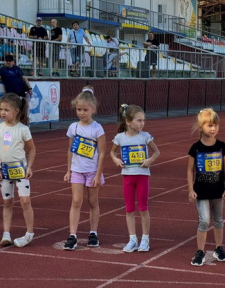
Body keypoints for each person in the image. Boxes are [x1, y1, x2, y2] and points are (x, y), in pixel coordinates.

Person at [110, 104, 160, 252]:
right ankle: (132, 239)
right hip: (128, 178)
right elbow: (112, 152)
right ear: (128, 121)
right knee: (129, 209)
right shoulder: (120, 138)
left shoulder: (145, 136)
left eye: (143, 120)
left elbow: (157, 152)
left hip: (142, 177)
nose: (142, 123)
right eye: (139, 120)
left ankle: (145, 239)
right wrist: (115, 159)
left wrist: (150, 160)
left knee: (143, 208)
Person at [187, 108, 225, 266]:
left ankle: (219, 248)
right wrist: (191, 190)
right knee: (204, 221)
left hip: (218, 189)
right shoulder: (196, 148)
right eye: (210, 125)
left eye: (216, 125)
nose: (214, 129)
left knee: (218, 220)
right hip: (201, 190)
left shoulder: (222, 147)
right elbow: (189, 169)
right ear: (201, 127)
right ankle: (200, 251)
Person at [0, 93, 35, 248]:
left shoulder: (23, 129)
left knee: (25, 201)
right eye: (1, 109)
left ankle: (29, 233)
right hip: (4, 170)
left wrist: (29, 167)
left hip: (20, 169)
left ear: (16, 111)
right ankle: (6, 233)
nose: (2, 113)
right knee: (7, 202)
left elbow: (32, 149)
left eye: (6, 110)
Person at [63, 87, 105, 250]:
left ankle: (93, 233)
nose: (81, 113)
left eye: (85, 110)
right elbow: (70, 150)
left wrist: (98, 174)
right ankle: (72, 234)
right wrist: (68, 170)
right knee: (76, 201)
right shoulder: (73, 127)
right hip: (77, 170)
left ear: (93, 109)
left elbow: (102, 153)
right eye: (79, 109)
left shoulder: (97, 128)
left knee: (93, 201)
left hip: (92, 171)